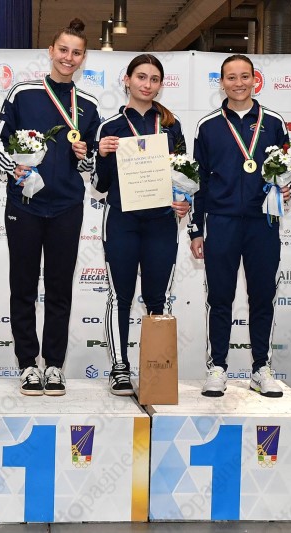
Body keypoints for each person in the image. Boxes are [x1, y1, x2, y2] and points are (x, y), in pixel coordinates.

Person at [0, 18, 100, 396]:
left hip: (67, 206)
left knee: (59, 289)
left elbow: (92, 165)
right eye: (63, 50)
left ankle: (53, 365)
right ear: (51, 51)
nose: (69, 57)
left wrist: (84, 156)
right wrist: (13, 167)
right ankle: (26, 364)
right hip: (25, 204)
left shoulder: (88, 105)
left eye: (76, 53)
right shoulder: (23, 93)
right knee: (22, 287)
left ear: (83, 58)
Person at [189, 54, 291, 398]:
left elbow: (286, 168)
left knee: (262, 297)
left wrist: (285, 188)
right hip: (221, 222)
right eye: (231, 77)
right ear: (222, 83)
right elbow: (198, 182)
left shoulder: (274, 122)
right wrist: (196, 229)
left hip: (263, 222)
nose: (238, 83)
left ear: (254, 80)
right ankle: (217, 367)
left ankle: (261, 368)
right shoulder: (207, 126)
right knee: (220, 297)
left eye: (244, 76)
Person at [93, 54, 189, 395]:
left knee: (157, 299)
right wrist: (102, 154)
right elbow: (100, 185)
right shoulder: (110, 127)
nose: (147, 84)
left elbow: (184, 175)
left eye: (154, 79)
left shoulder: (172, 126)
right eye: (141, 77)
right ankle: (119, 368)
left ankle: (156, 371)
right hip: (122, 219)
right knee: (120, 296)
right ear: (127, 80)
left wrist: (185, 200)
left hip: (162, 221)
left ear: (160, 85)